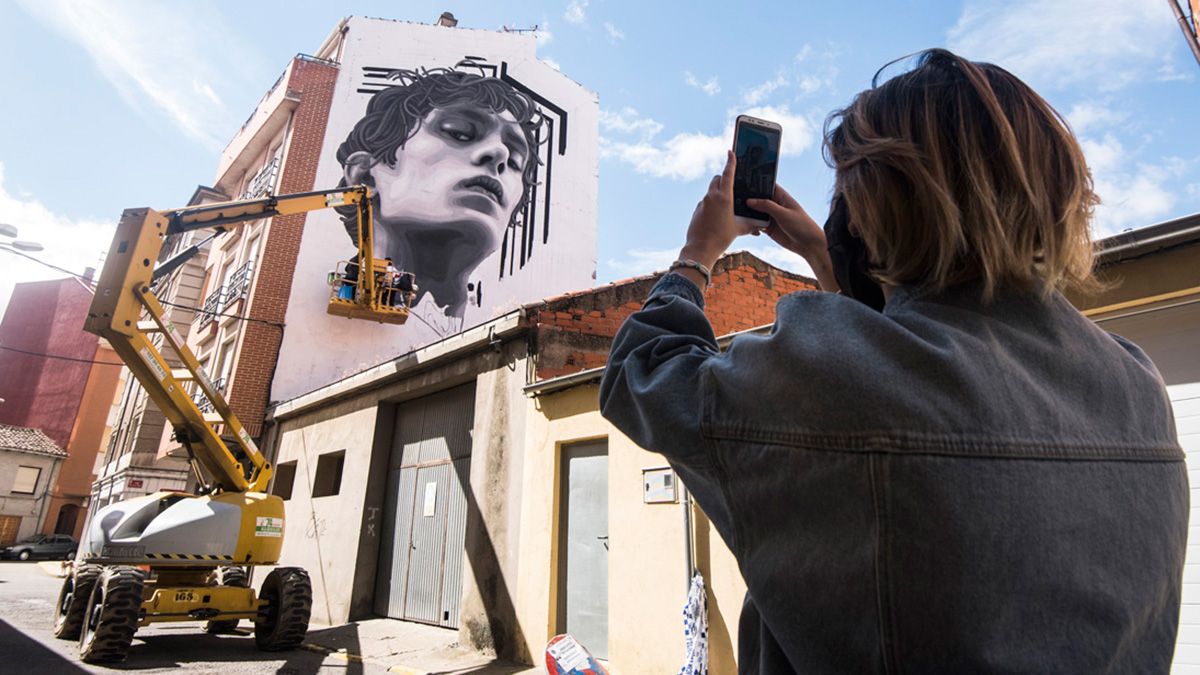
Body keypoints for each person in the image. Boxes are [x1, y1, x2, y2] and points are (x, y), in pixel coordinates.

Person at [599, 49, 1186, 673]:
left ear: (874, 210)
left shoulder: (830, 379)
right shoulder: (1138, 391)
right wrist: (826, 258)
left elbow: (643, 371)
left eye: (849, 193)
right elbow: (915, 361)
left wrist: (698, 253)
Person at [335, 67, 544, 330]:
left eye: (515, 161)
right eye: (459, 133)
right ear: (365, 176)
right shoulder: (356, 278)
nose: (499, 153)